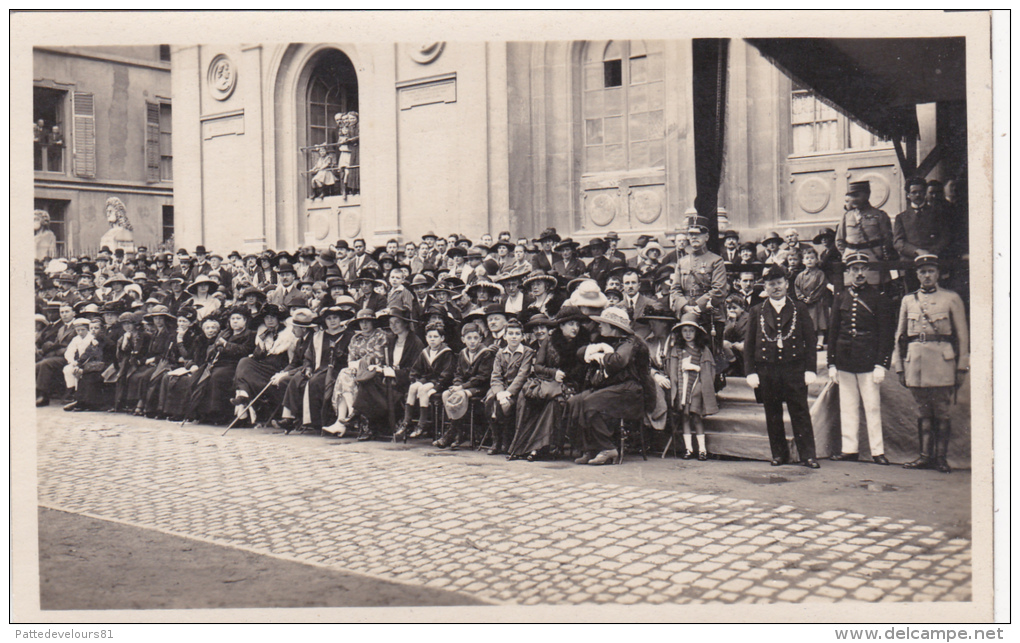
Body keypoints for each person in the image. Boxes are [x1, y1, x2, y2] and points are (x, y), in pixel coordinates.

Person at [892, 254, 969, 474]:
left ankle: (941, 458)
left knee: (942, 411)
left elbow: (963, 335)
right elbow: (900, 335)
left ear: (938, 274)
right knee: (922, 411)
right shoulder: (909, 300)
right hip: (916, 362)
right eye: (923, 272)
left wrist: (962, 365)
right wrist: (900, 365)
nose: (927, 276)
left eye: (931, 271)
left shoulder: (951, 298)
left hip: (942, 362)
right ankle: (925, 456)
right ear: (917, 275)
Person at [744, 265, 820, 469]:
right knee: (773, 413)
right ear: (765, 287)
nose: (775, 287)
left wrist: (810, 368)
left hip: (794, 369)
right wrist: (750, 371)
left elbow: (810, 341)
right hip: (767, 371)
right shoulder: (756, 311)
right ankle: (779, 454)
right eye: (771, 284)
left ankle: (808, 455)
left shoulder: (799, 308)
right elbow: (749, 344)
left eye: (779, 283)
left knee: (800, 412)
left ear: (786, 284)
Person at [826, 253, 896, 465]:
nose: (858, 273)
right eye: (854, 269)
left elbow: (886, 334)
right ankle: (850, 449)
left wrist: (881, 364)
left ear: (867, 271)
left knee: (872, 407)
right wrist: (831, 363)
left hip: (868, 361)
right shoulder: (840, 297)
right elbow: (833, 331)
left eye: (862, 269)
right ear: (848, 272)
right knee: (848, 406)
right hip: (845, 360)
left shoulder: (878, 298)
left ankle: (877, 451)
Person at [568, 307, 653, 466]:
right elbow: (579, 354)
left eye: (603, 323)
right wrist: (594, 348)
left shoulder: (630, 342)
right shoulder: (604, 339)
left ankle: (607, 448)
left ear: (614, 327)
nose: (599, 326)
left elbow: (619, 360)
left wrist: (602, 356)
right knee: (576, 402)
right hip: (611, 388)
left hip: (630, 390)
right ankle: (590, 448)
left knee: (591, 402)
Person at [353, 306, 423, 441]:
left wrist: (395, 372)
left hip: (403, 382)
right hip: (388, 380)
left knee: (369, 386)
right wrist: (381, 368)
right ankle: (366, 422)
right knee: (367, 381)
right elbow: (387, 361)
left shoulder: (415, 342)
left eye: (397, 322)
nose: (394, 326)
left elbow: (416, 370)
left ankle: (361, 416)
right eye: (391, 323)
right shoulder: (391, 340)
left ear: (405, 323)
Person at [230, 304, 297, 426]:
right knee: (244, 361)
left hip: (278, 368)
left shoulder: (287, 334)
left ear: (278, 318)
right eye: (266, 318)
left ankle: (242, 411)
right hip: (264, 367)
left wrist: (284, 372)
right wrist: (261, 345)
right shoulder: (263, 333)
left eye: (272, 317)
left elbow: (292, 359)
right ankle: (243, 395)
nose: (269, 320)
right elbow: (257, 356)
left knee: (245, 371)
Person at [188, 307, 256, 425]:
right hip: (218, 363)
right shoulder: (225, 333)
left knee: (217, 377)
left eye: (238, 318)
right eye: (233, 319)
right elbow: (212, 347)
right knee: (198, 377)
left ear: (245, 321)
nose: (235, 321)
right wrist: (216, 348)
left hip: (235, 365)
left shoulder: (250, 335)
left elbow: (245, 350)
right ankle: (201, 413)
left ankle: (218, 414)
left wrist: (226, 345)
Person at [436, 322, 497, 450]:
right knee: (447, 394)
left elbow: (482, 377)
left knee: (460, 395)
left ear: (480, 339)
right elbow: (458, 374)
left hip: (481, 388)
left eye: (475, 338)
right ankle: (458, 431)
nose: (472, 341)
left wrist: (462, 387)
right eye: (469, 338)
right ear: (463, 339)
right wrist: (457, 384)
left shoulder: (485, 353)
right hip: (465, 386)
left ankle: (452, 433)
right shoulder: (463, 353)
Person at [667, 313, 719, 460]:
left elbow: (709, 372)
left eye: (691, 330)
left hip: (696, 386)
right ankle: (688, 449)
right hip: (682, 388)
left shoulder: (703, 350)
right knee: (684, 416)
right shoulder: (676, 350)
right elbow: (673, 372)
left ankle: (702, 449)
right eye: (685, 331)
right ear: (680, 333)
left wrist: (697, 372)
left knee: (696, 417)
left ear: (697, 332)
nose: (688, 334)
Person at [482, 318, 534, 456]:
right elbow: (496, 375)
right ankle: (496, 439)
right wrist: (499, 392)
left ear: (522, 336)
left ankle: (506, 439)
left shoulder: (527, 352)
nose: (514, 337)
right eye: (510, 333)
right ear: (505, 336)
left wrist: (508, 393)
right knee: (490, 401)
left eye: (517, 334)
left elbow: (522, 375)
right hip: (500, 387)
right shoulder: (500, 353)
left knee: (507, 406)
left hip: (516, 389)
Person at [395, 321, 455, 440]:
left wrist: (436, 387)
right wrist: (415, 379)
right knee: (413, 387)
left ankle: (422, 424)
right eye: (430, 337)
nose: (432, 340)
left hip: (440, 382)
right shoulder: (425, 352)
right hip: (427, 380)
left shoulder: (447, 353)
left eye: (436, 337)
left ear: (442, 338)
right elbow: (415, 369)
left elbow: (447, 374)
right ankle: (406, 421)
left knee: (422, 389)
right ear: (426, 338)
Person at [835, 181, 896, 287]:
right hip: (851, 259)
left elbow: (887, 239)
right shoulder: (846, 216)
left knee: (873, 289)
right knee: (851, 289)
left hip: (871, 260)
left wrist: (880, 255)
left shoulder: (879, 215)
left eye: (856, 195)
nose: (853, 199)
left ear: (867, 195)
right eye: (851, 196)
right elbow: (839, 240)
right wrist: (846, 254)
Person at [794, 246, 831, 350]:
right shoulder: (800, 275)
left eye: (812, 258)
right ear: (803, 261)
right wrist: (802, 297)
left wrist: (812, 298)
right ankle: (808, 342)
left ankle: (820, 342)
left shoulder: (820, 274)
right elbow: (797, 287)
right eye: (807, 258)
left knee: (819, 323)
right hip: (805, 304)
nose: (809, 260)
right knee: (807, 323)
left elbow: (821, 286)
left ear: (816, 260)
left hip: (817, 302)